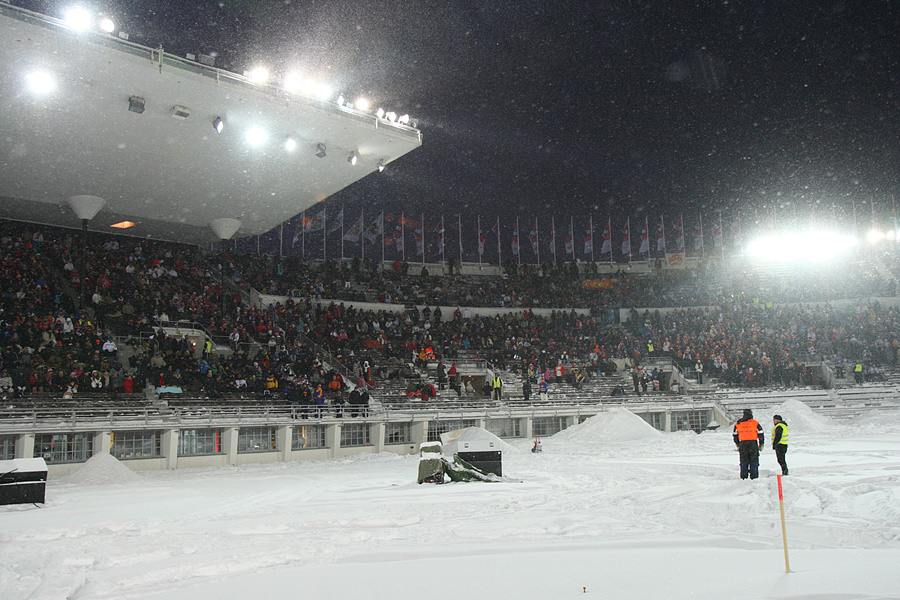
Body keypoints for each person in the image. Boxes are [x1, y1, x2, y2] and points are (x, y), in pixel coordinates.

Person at [733, 408, 764, 480]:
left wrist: (737, 444)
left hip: (743, 444)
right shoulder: (755, 423)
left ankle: (744, 476)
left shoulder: (738, 423)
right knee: (754, 460)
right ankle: (754, 476)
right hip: (753, 443)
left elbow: (735, 434)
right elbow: (761, 433)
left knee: (744, 461)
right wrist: (761, 443)